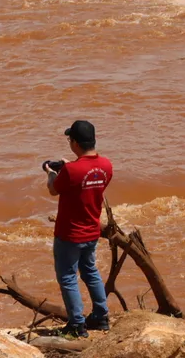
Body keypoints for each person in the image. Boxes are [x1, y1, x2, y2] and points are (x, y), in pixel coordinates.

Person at [43, 119, 114, 338]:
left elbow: (54, 190)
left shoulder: (71, 171)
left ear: (74, 142)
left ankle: (77, 325)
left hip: (69, 233)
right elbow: (87, 179)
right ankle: (101, 316)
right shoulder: (106, 166)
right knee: (90, 271)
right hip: (91, 229)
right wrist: (69, 165)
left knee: (67, 277)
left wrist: (51, 173)